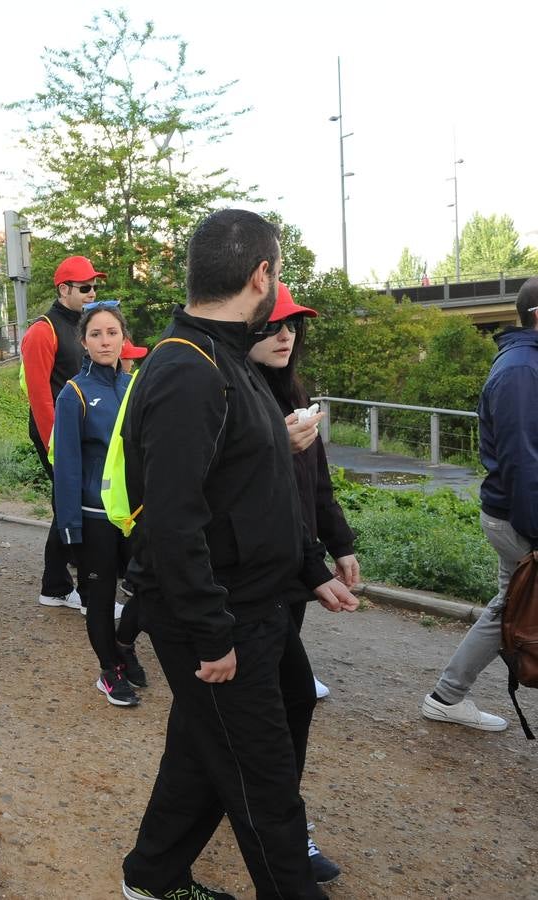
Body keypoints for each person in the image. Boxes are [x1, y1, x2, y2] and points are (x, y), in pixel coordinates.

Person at [118, 210, 357, 900]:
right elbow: (172, 521)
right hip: (216, 613)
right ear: (262, 275)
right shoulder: (187, 370)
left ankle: (152, 877)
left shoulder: (230, 357)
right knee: (263, 778)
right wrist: (210, 631)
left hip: (256, 601)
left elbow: (257, 483)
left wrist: (311, 567)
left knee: (223, 738)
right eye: (276, 271)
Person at [249, 283, 357, 884]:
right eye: (272, 324)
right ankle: (284, 834)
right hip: (256, 585)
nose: (285, 333)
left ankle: (261, 822)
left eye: (292, 325)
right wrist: (313, 570)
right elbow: (257, 504)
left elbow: (315, 486)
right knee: (281, 705)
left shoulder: (295, 397)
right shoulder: (237, 399)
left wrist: (339, 544)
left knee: (262, 711)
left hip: (291, 583)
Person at [422, 275, 538, 733]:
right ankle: (445, 696)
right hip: (520, 520)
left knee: (506, 607)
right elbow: (522, 463)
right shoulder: (520, 372)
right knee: (508, 608)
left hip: (518, 516)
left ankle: (446, 696)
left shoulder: (527, 365)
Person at [52, 301, 143, 708]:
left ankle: (125, 645)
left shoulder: (135, 386)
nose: (105, 341)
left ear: (124, 337)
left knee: (151, 590)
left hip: (138, 516)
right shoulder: (74, 393)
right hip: (95, 515)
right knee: (102, 597)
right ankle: (110, 669)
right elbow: (67, 466)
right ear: (84, 342)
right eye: (95, 334)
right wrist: (71, 527)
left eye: (112, 333)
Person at [24, 254, 105, 611]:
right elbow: (41, 396)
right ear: (64, 289)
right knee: (70, 504)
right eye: (85, 287)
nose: (92, 292)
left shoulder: (85, 325)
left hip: (82, 432)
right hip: (58, 435)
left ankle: (60, 581)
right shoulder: (43, 330)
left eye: (95, 286)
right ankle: (58, 585)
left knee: (72, 504)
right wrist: (58, 447)